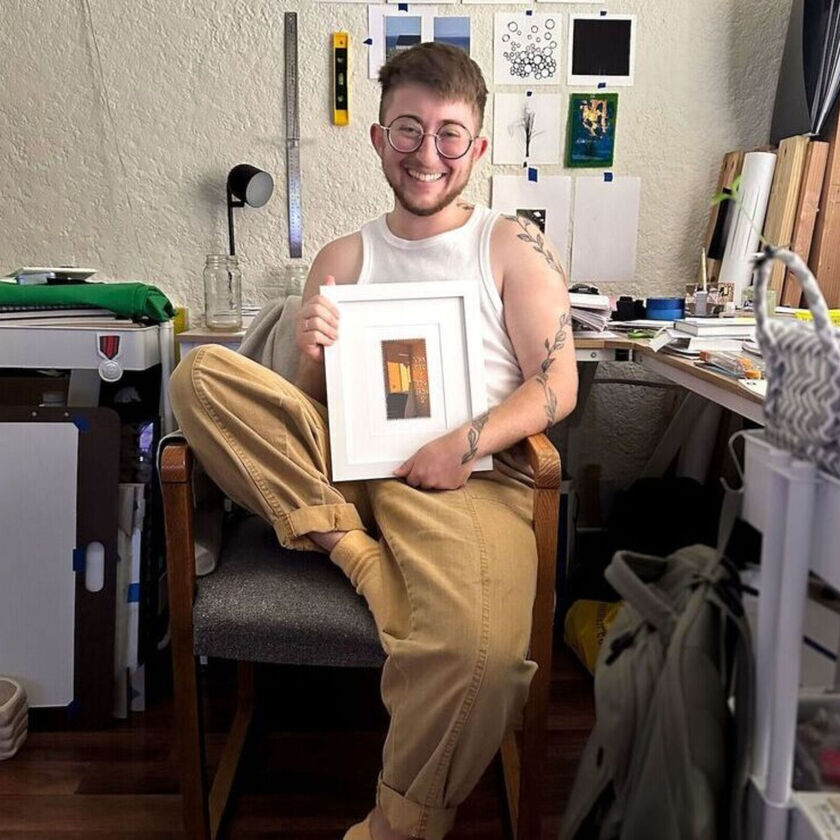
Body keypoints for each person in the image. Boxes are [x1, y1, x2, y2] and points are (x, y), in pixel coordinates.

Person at [169, 42, 577, 840]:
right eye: (408, 130)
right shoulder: (343, 255)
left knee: (485, 655)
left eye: (449, 133)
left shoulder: (510, 244)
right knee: (200, 380)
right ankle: (357, 556)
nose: (429, 153)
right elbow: (305, 409)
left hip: (467, 481)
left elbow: (557, 386)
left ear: (478, 147)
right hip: (344, 468)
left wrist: (465, 443)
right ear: (379, 139)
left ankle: (399, 825)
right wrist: (311, 353)